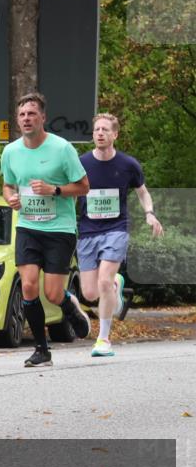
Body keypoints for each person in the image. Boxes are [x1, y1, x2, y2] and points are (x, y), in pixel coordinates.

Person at [1, 92, 91, 367]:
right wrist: (10, 198)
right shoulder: (10, 151)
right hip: (27, 226)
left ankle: (68, 304)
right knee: (28, 285)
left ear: (43, 118)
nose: (26, 118)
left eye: (31, 114)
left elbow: (84, 186)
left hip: (59, 229)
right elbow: (8, 185)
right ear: (17, 120)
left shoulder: (62, 149)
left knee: (52, 293)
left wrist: (55, 190)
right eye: (22, 115)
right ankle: (42, 349)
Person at [77, 113, 163, 357]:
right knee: (90, 293)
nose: (100, 133)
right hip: (88, 231)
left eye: (105, 129)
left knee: (103, 281)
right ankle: (116, 283)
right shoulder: (81, 164)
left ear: (115, 134)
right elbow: (71, 192)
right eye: (96, 130)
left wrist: (149, 213)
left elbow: (143, 192)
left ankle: (103, 340)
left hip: (116, 229)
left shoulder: (128, 164)